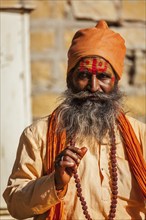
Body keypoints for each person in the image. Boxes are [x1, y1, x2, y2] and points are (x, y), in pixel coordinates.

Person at [3, 20, 146, 220]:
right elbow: (15, 204)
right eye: (84, 76)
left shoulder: (140, 136)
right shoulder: (38, 135)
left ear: (116, 82)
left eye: (103, 76)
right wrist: (55, 182)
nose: (94, 87)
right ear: (70, 79)